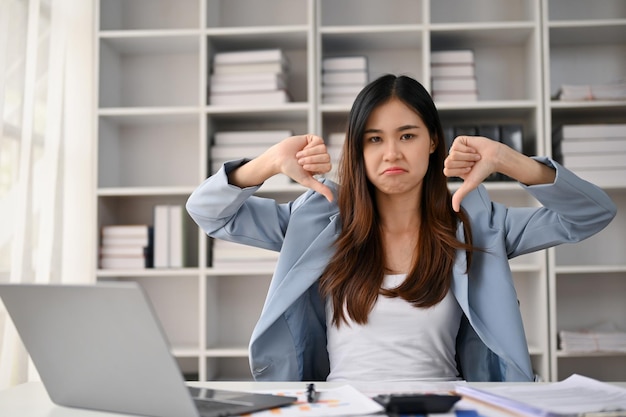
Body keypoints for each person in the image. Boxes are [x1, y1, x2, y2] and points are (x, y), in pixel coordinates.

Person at [186, 74, 616, 382]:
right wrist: (266, 164)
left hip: (446, 406)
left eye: (407, 135)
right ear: (357, 149)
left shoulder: (477, 223)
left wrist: (512, 162)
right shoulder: (316, 220)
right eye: (374, 138)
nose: (391, 152)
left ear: (433, 141)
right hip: (341, 408)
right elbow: (208, 212)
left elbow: (592, 213)